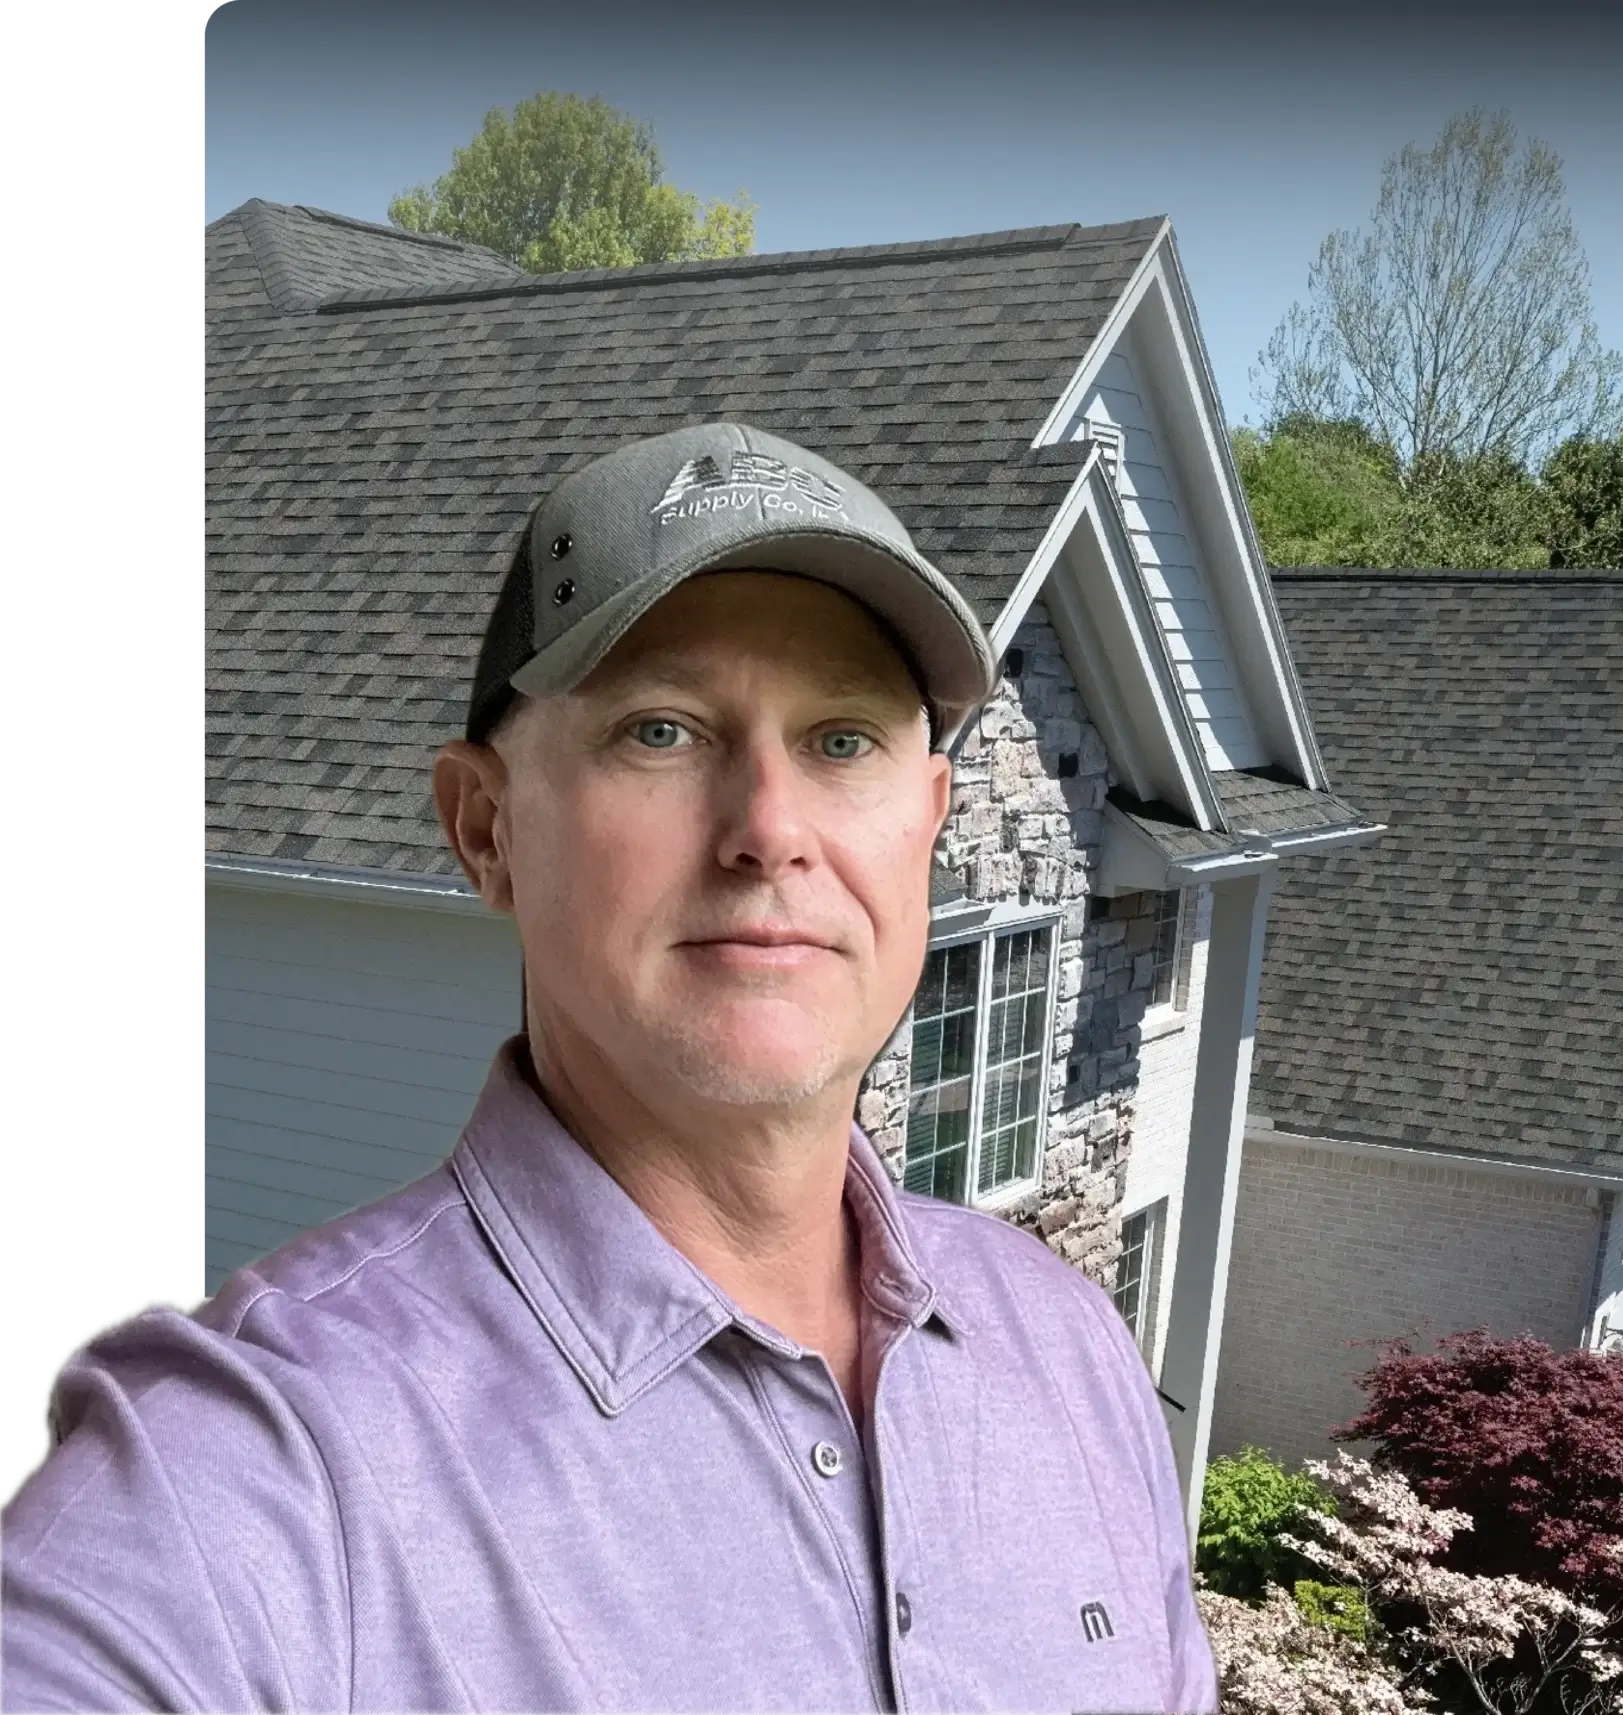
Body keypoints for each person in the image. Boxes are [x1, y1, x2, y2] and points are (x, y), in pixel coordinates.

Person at [0, 422, 1220, 1713]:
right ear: (487, 827)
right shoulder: (255, 1468)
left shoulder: (1068, 1346)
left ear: (928, 822)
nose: (768, 830)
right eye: (661, 730)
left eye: (842, 738)